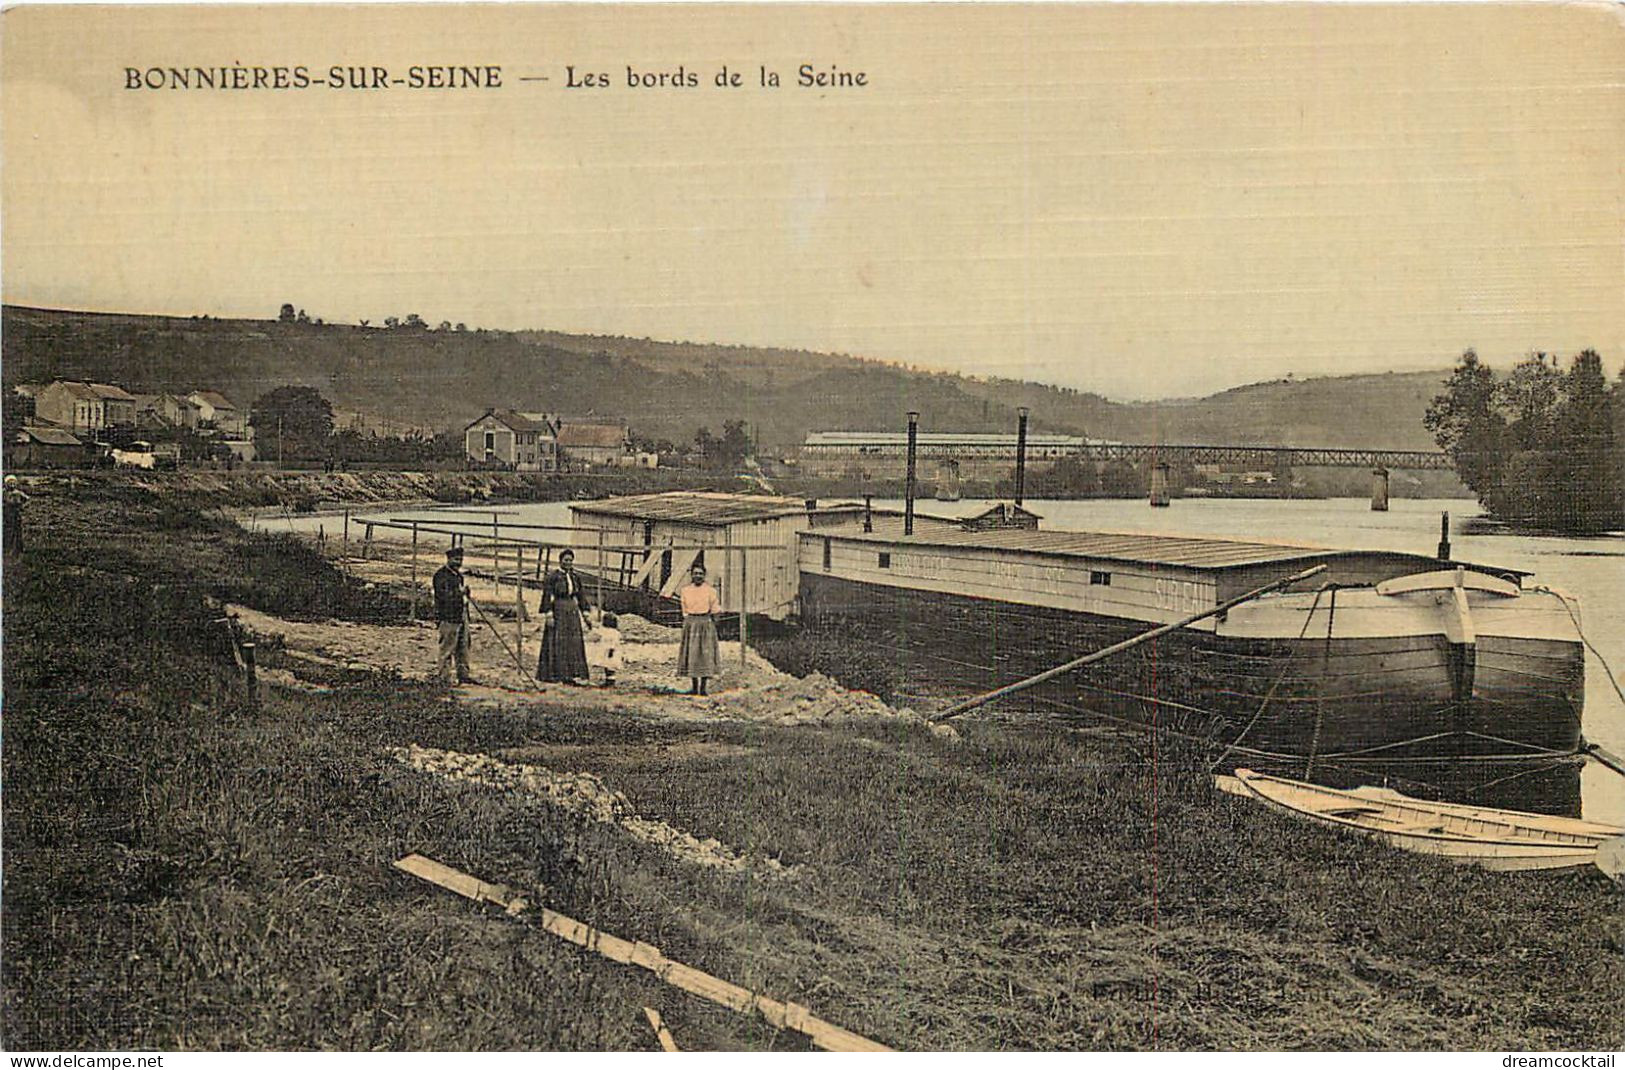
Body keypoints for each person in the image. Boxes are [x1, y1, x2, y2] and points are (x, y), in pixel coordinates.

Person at [537, 548, 591, 684]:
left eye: (570, 561)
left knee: (573, 642)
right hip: (558, 610)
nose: (568, 563)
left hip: (572, 612)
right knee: (558, 641)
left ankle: (573, 674)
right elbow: (547, 595)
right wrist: (548, 614)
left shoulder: (575, 577)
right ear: (560, 561)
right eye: (566, 560)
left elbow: (581, 595)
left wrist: (585, 613)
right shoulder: (552, 577)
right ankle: (556, 674)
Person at [432, 546, 477, 685]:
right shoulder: (441, 575)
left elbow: (460, 596)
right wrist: (460, 593)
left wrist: (465, 596)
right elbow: (443, 597)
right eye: (456, 559)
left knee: (463, 646)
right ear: (449, 559)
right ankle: (444, 678)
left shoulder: (458, 576)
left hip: (461, 615)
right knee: (447, 648)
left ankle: (463, 675)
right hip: (448, 617)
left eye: (461, 560)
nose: (458, 562)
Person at [676, 563, 722, 695]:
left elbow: (715, 609)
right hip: (691, 623)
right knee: (692, 654)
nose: (698, 576)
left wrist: (712, 625)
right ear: (691, 575)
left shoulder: (711, 591)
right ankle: (694, 687)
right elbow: (684, 609)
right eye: (695, 573)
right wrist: (688, 622)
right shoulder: (685, 590)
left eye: (700, 574)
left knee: (705, 655)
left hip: (706, 623)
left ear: (704, 575)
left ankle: (703, 688)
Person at [586, 611, 621, 688]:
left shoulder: (605, 631)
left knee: (609, 667)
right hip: (609, 652)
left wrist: (611, 650)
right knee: (609, 667)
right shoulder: (615, 632)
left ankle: (610, 682)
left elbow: (595, 636)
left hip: (609, 652)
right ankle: (609, 681)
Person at [3, 475, 28, 556]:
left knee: (17, 530)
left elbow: (27, 499)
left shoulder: (18, 493)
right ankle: (7, 547)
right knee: (8, 530)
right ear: (6, 484)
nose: (12, 485)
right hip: (7, 513)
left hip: (16, 513)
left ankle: (18, 548)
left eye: (13, 483)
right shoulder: (3, 493)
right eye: (9, 483)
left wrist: (22, 506)